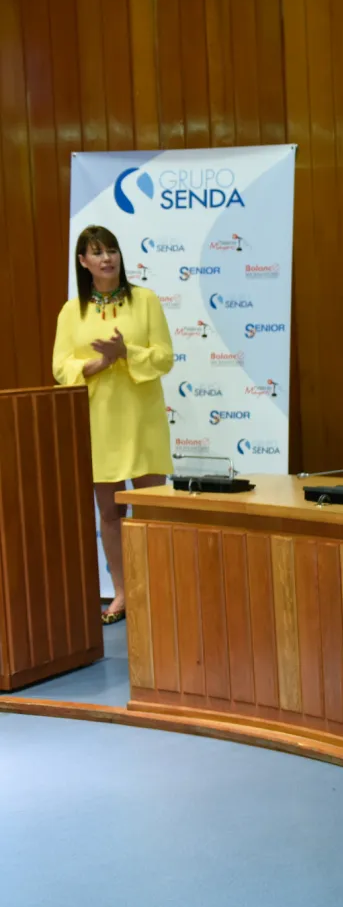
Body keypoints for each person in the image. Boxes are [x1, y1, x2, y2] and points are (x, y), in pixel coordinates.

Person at [51, 226, 172, 624]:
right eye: (97, 253)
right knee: (109, 512)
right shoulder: (73, 311)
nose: (107, 258)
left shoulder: (147, 300)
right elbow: (59, 367)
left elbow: (164, 358)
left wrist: (126, 353)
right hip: (98, 420)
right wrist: (99, 363)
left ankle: (162, 589)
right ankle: (122, 593)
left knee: (154, 509)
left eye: (113, 251)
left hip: (142, 417)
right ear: (83, 262)